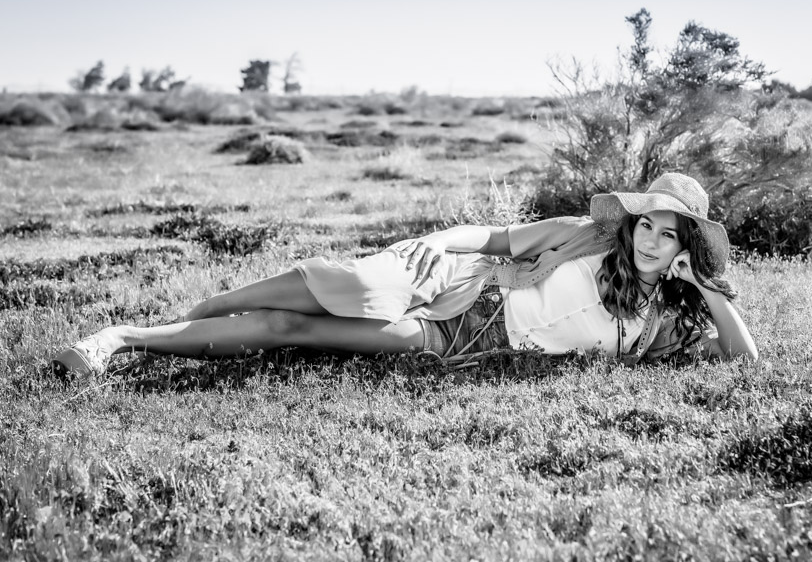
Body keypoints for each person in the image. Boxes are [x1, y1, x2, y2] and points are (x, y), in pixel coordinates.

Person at [52, 172, 758, 379]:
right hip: (458, 281)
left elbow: (747, 364)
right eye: (648, 224)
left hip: (458, 340)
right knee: (355, 290)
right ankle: (176, 317)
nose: (653, 241)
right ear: (630, 224)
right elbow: (487, 237)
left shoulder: (667, 320)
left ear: (684, 247)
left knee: (302, 332)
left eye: (670, 234)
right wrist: (428, 242)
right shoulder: (584, 237)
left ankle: (128, 338)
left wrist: (704, 289)